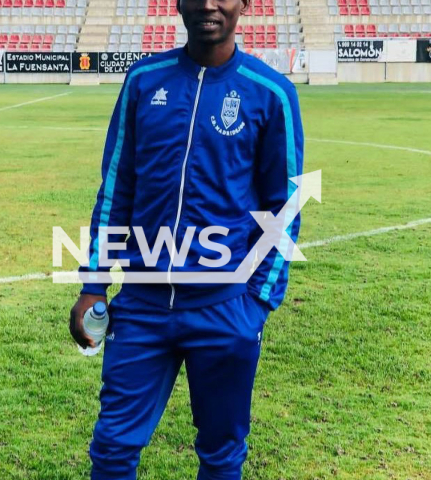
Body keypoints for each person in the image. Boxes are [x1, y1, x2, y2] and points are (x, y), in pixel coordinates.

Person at [69, 0, 304, 478]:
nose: (209, 4)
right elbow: (118, 187)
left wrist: (257, 302)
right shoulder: (143, 80)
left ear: (244, 4)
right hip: (142, 307)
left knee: (221, 452)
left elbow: (284, 205)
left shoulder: (270, 92)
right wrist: (94, 283)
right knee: (112, 447)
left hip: (225, 309)